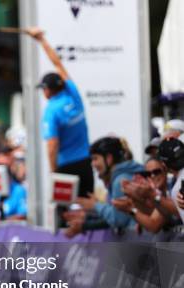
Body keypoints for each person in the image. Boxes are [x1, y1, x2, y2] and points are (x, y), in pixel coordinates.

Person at [26, 27, 93, 197]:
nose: (43, 92)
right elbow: (58, 64)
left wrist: (54, 171)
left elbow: (52, 145)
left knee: (65, 214)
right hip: (85, 161)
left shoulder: (51, 112)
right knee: (87, 208)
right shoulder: (72, 92)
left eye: (44, 89)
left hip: (66, 166)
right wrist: (41, 40)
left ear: (49, 90)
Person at [66, 137, 143, 237]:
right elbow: (117, 215)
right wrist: (89, 215)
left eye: (95, 159)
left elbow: (118, 220)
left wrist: (95, 205)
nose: (92, 164)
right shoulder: (121, 177)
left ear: (109, 158)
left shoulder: (121, 180)